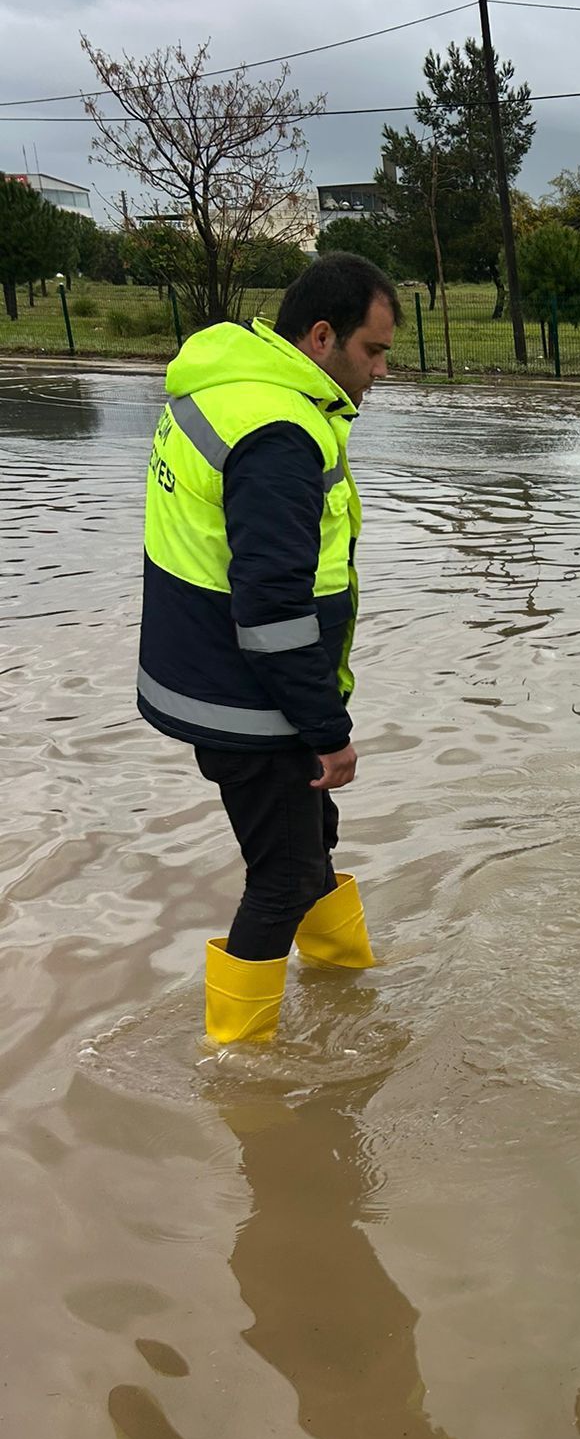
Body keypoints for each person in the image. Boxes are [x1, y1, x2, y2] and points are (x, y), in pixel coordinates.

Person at [136, 252, 400, 1044]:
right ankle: (239, 1066)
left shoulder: (230, 388)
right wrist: (328, 730)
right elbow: (274, 610)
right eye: (373, 351)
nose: (381, 371)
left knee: (311, 846)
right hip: (253, 702)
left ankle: (345, 989)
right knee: (282, 877)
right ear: (322, 337)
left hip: (221, 680)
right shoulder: (280, 430)